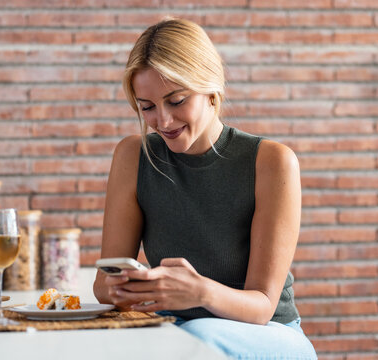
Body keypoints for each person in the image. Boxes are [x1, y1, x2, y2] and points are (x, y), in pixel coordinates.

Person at [93, 18, 318, 359]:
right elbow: (102, 285)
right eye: (147, 107)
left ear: (211, 90)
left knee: (195, 338)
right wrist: (125, 287)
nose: (163, 121)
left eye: (177, 100)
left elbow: (262, 306)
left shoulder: (272, 163)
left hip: (268, 334)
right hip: (177, 332)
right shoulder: (132, 156)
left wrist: (199, 292)